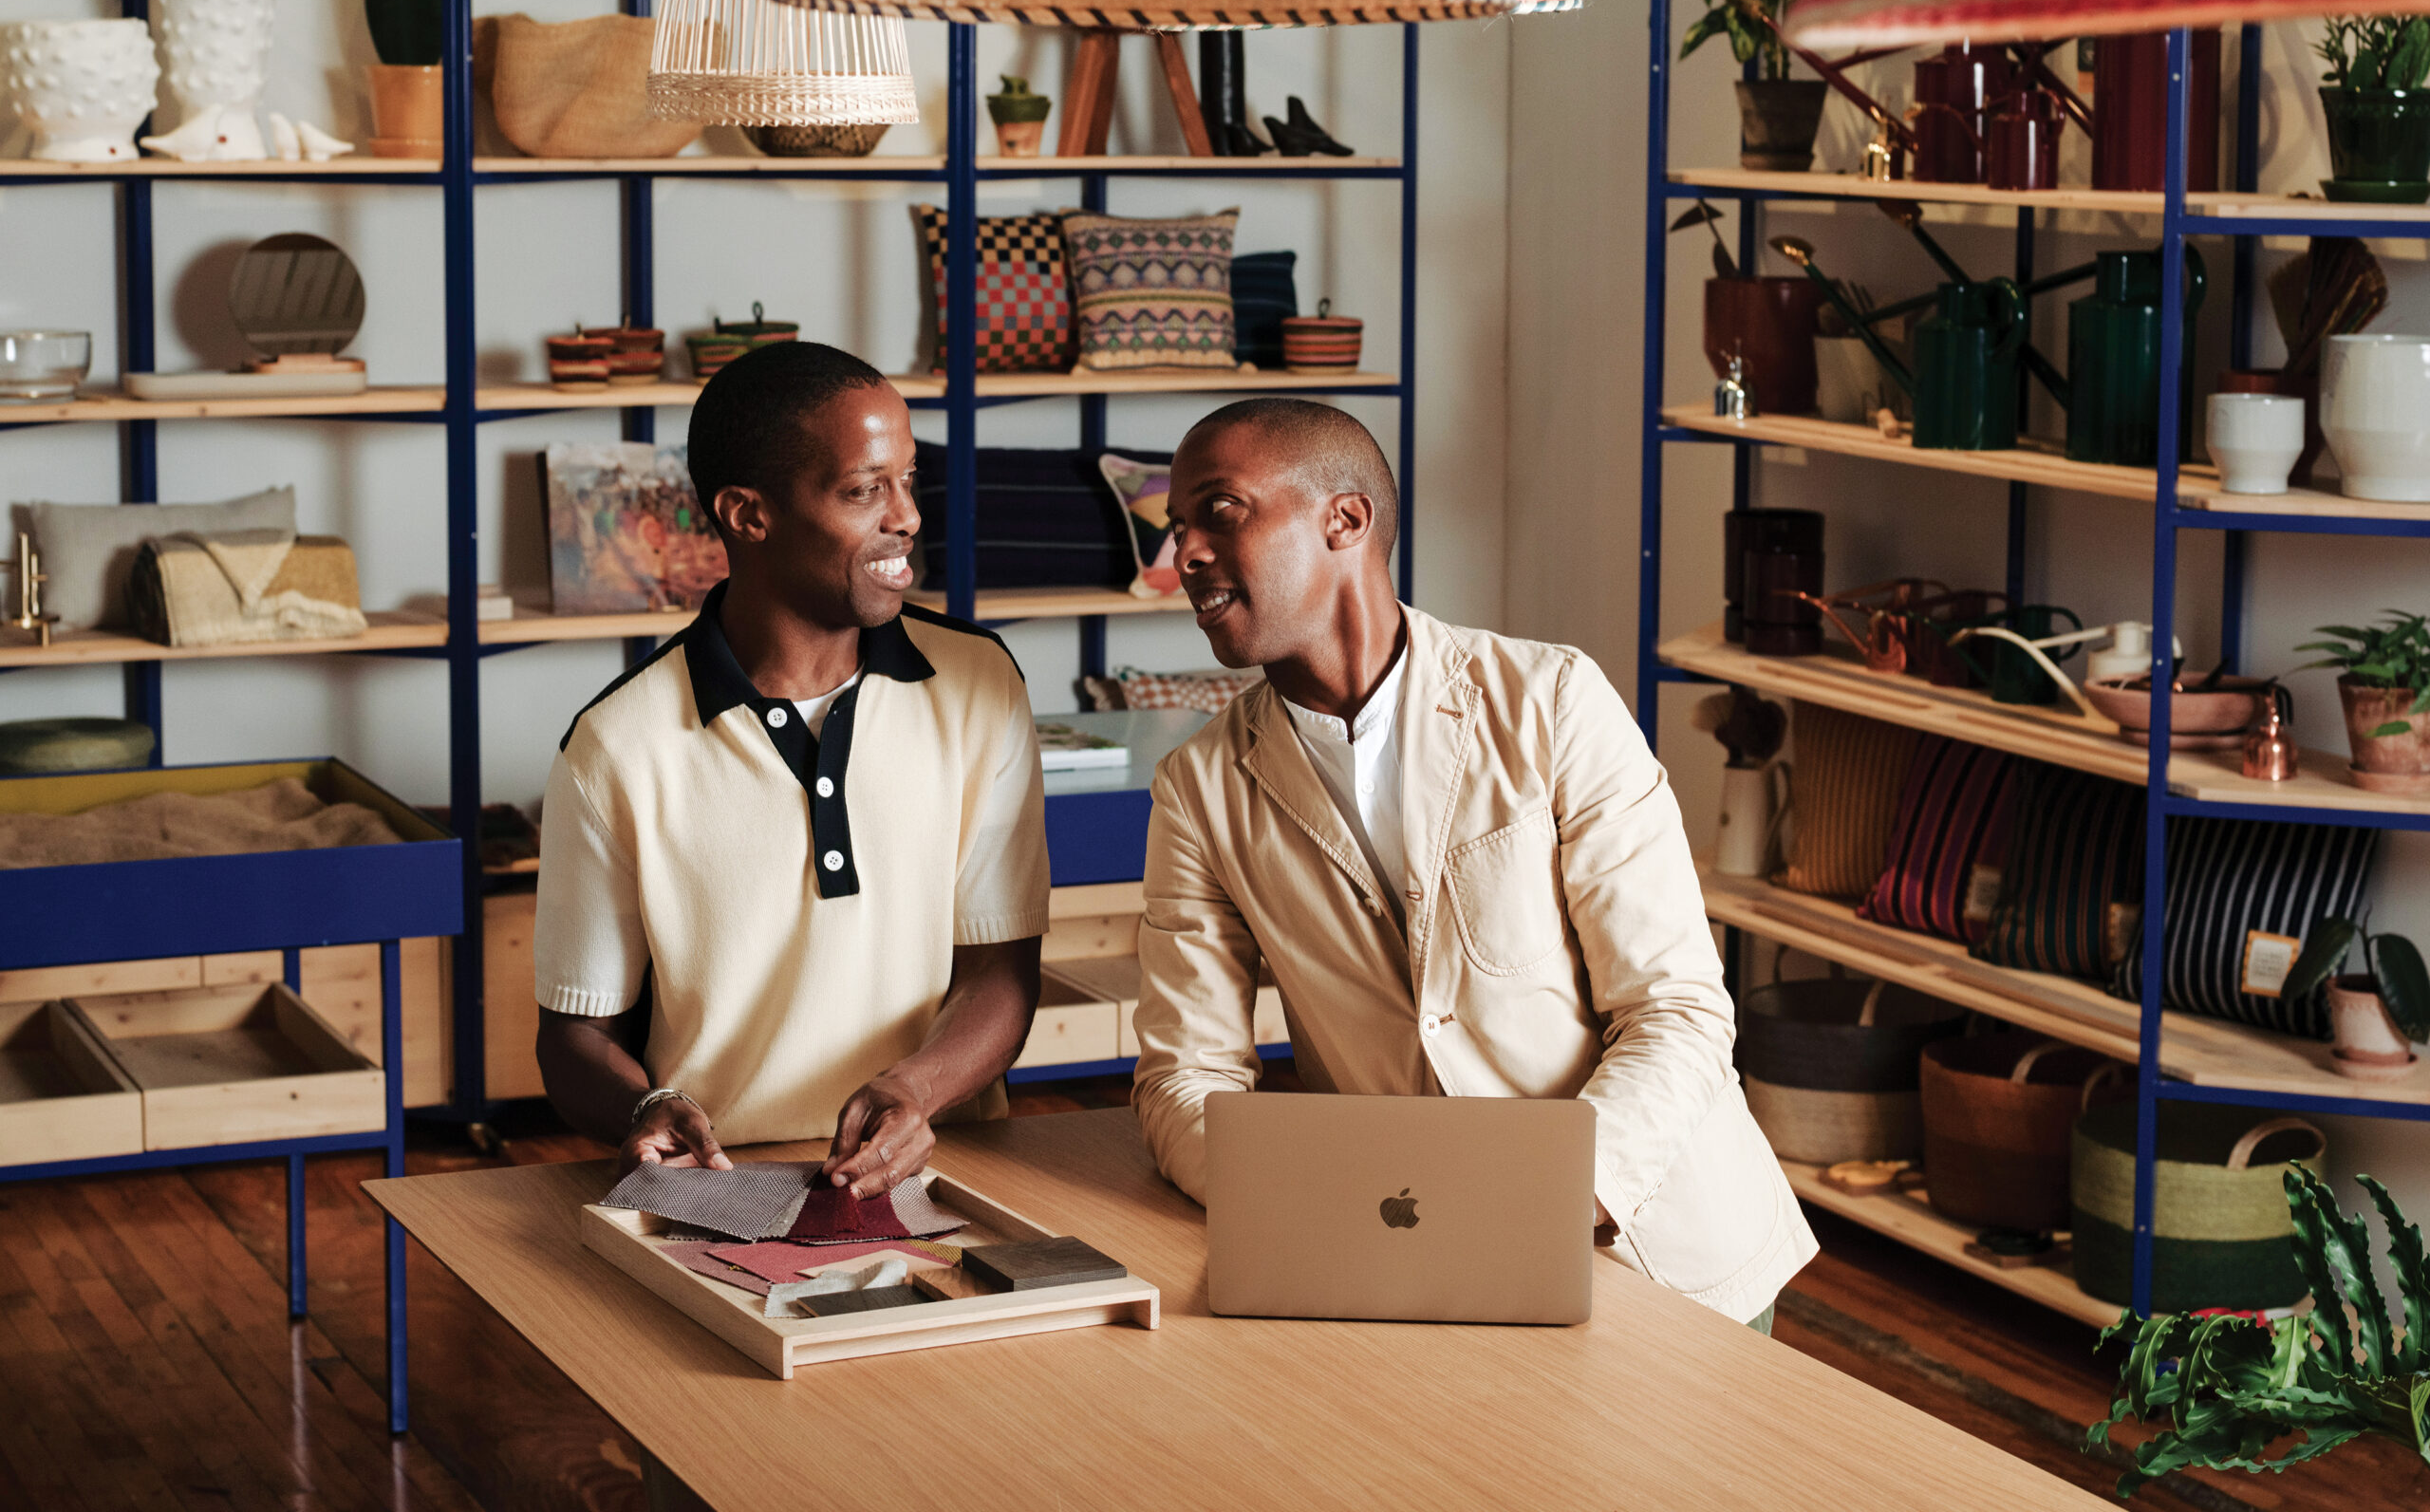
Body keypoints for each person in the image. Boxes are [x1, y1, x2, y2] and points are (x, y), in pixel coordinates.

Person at [1131, 398, 1814, 1326]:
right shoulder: (1198, 787)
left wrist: (1546, 1207)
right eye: (1175, 529)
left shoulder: (1553, 702)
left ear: (1346, 520)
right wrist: (1314, 1211)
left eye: (1219, 511)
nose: (1186, 555)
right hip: (1396, 1266)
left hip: (1661, 1256)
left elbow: (1676, 1008)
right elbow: (1185, 1077)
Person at [533, 342, 1049, 1196]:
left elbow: (1001, 969)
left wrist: (913, 1092)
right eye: (863, 490)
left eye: (908, 479)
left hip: (946, 1180)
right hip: (722, 1192)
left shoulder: (980, 686)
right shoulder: (617, 746)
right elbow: (575, 1038)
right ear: (748, 515)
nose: (908, 516)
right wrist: (646, 1107)